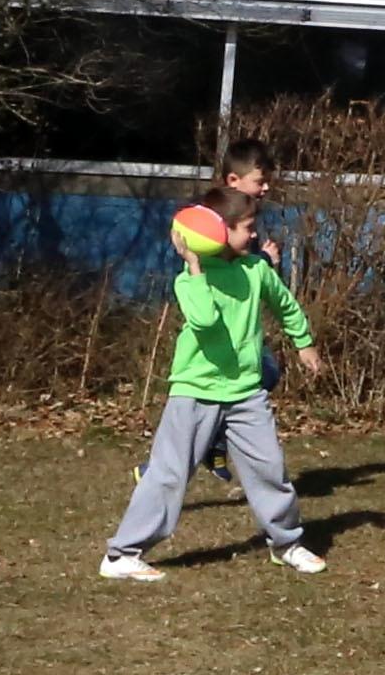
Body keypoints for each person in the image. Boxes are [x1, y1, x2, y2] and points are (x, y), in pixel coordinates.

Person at [98, 154, 325, 583]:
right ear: (221, 232)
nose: (255, 234)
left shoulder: (258, 269)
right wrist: (196, 268)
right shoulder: (190, 279)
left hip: (246, 392)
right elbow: (202, 321)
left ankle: (287, 544)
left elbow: (285, 305)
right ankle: (122, 555)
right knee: (168, 475)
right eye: (248, 228)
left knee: (269, 470)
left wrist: (304, 342)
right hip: (195, 391)